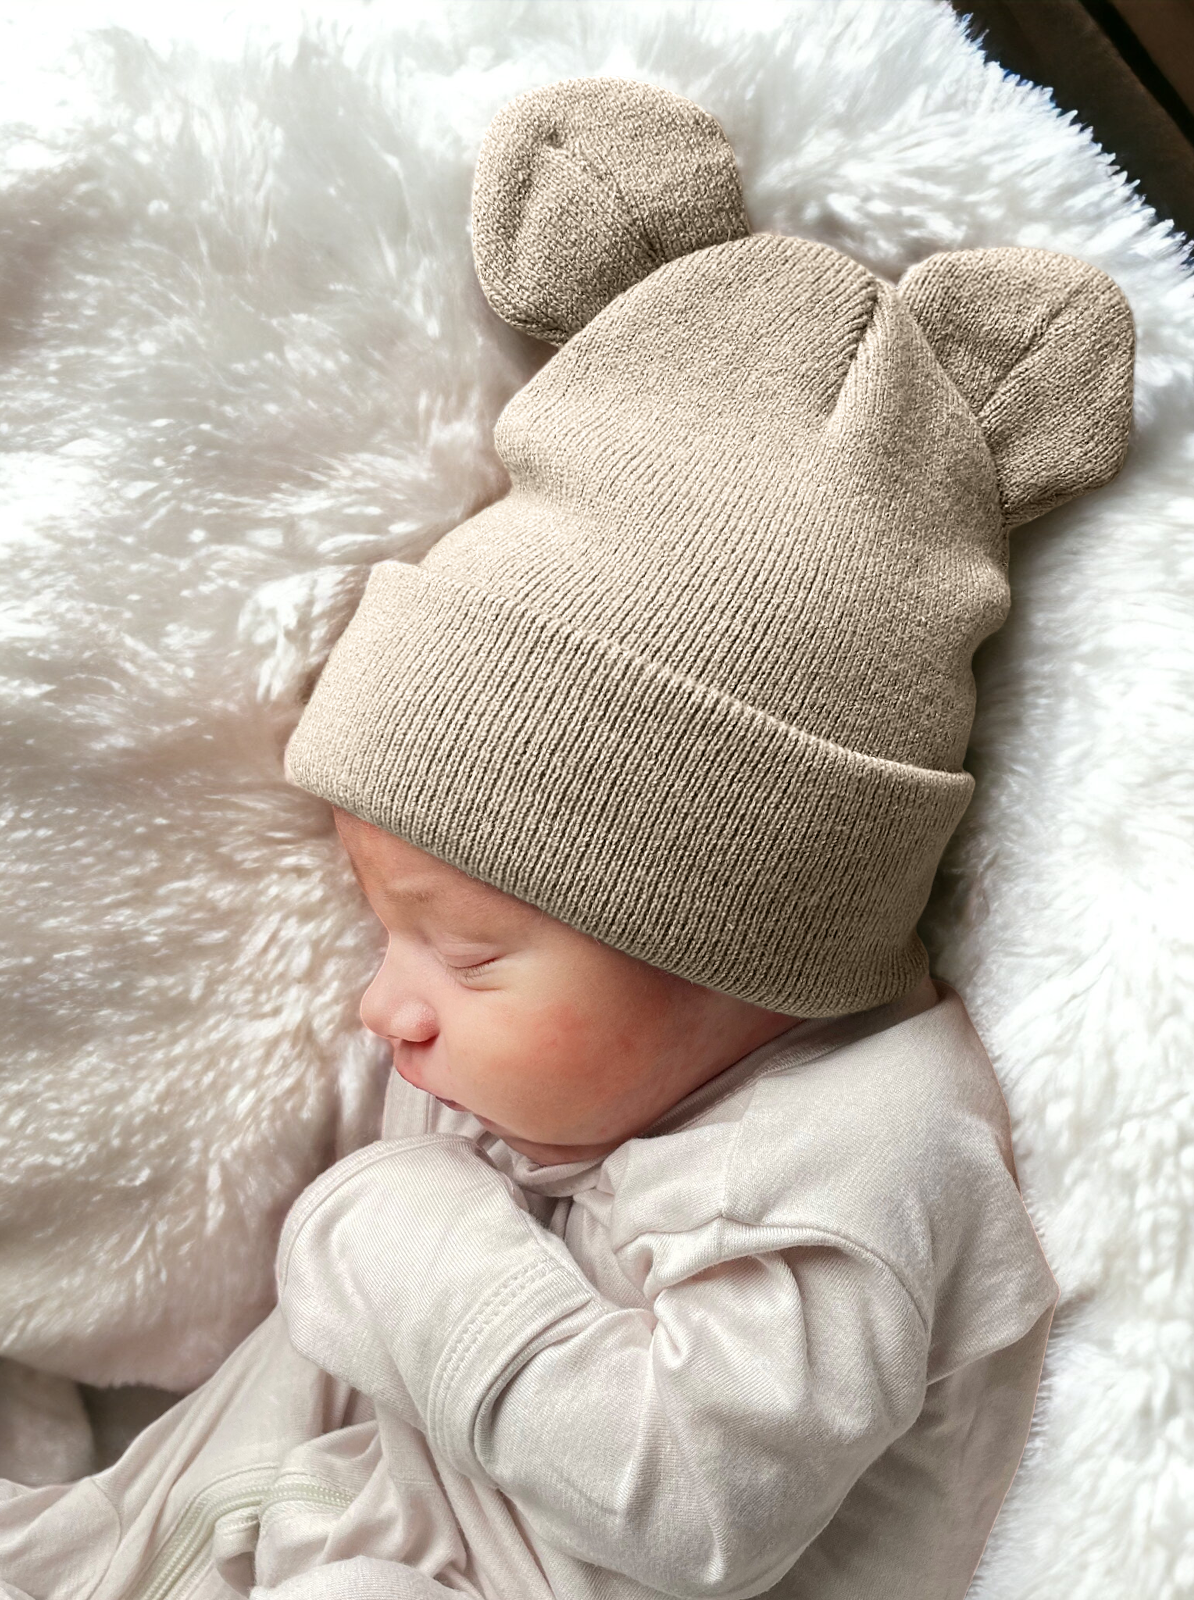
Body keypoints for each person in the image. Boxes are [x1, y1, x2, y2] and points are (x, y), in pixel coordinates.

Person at [0, 74, 1134, 1600]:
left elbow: (696, 1511)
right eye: (394, 929)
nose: (381, 998)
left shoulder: (865, 1168)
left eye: (464, 949)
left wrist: (406, 1242)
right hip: (210, 1519)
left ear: (721, 937)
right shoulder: (589, 1073)